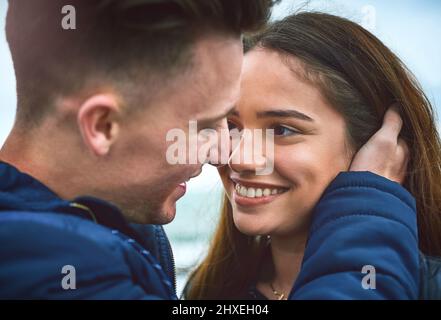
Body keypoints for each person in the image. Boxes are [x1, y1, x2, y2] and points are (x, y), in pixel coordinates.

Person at [0, 1, 417, 299]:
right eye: (207, 125)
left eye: (283, 129)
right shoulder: (51, 268)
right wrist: (369, 209)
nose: (229, 153)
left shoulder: (113, 238)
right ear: (103, 126)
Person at [184, 12, 441, 300]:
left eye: (281, 130)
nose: (239, 159)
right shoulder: (205, 291)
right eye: (231, 126)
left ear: (377, 144)